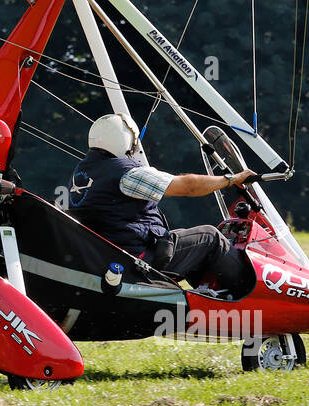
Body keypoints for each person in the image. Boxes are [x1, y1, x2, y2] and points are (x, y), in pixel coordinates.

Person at [68, 113, 254, 293]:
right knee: (210, 237)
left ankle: (203, 294)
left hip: (114, 257)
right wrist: (232, 178)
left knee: (181, 235)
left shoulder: (81, 173)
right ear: (125, 142)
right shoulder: (127, 174)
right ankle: (249, 294)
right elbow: (188, 186)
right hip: (141, 259)